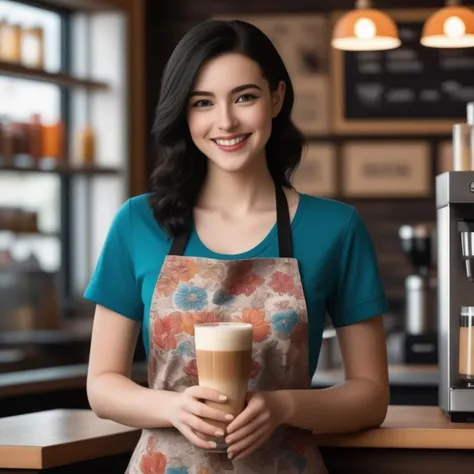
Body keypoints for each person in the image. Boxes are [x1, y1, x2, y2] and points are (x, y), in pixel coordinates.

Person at [84, 19, 390, 474]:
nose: (225, 121)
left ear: (277, 99)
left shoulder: (335, 227)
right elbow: (102, 385)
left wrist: (283, 406)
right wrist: (172, 408)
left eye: (244, 97)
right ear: (183, 114)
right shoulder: (137, 222)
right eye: (202, 103)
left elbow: (370, 395)